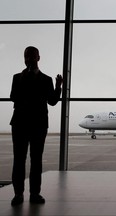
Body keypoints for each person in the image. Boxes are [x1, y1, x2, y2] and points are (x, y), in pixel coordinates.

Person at [10, 46, 63, 206]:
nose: (29, 60)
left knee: (36, 160)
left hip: (38, 125)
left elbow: (52, 101)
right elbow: (13, 97)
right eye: (26, 57)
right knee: (19, 160)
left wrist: (58, 86)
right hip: (20, 123)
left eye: (32, 57)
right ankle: (18, 194)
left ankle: (34, 194)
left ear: (38, 58)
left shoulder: (46, 80)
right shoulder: (17, 77)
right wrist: (23, 79)